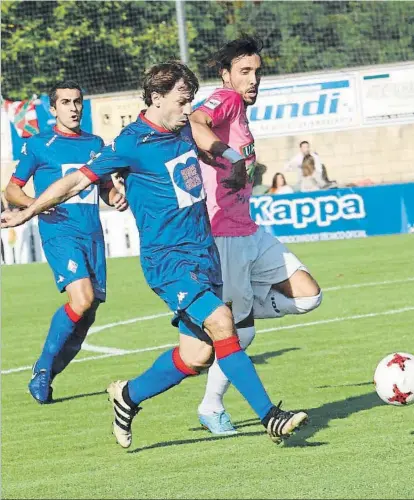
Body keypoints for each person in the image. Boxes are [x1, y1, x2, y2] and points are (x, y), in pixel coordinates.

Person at [1, 62, 308, 448]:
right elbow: (75, 181)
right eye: (182, 100)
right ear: (157, 97)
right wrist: (28, 210)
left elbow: (209, 142)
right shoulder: (130, 143)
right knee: (223, 322)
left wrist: (233, 162)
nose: (187, 108)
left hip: (203, 255)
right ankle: (270, 416)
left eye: (190, 101)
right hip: (168, 261)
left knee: (195, 356)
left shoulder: (183, 130)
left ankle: (127, 397)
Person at [190, 36, 322, 435]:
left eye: (257, 72)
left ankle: (222, 314)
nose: (253, 80)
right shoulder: (225, 100)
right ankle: (211, 406)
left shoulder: (240, 113)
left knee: (309, 294)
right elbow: (196, 123)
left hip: (249, 229)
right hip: (224, 235)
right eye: (244, 72)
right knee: (240, 333)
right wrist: (228, 155)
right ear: (226, 74)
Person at [4, 80, 128, 404]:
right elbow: (11, 190)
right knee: (82, 298)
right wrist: (36, 204)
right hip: (58, 231)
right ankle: (43, 368)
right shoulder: (39, 144)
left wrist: (115, 197)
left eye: (77, 102)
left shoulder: (96, 143)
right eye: (65, 102)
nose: (73, 108)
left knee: (87, 314)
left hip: (93, 234)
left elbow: (103, 188)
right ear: (52, 108)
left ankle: (46, 374)